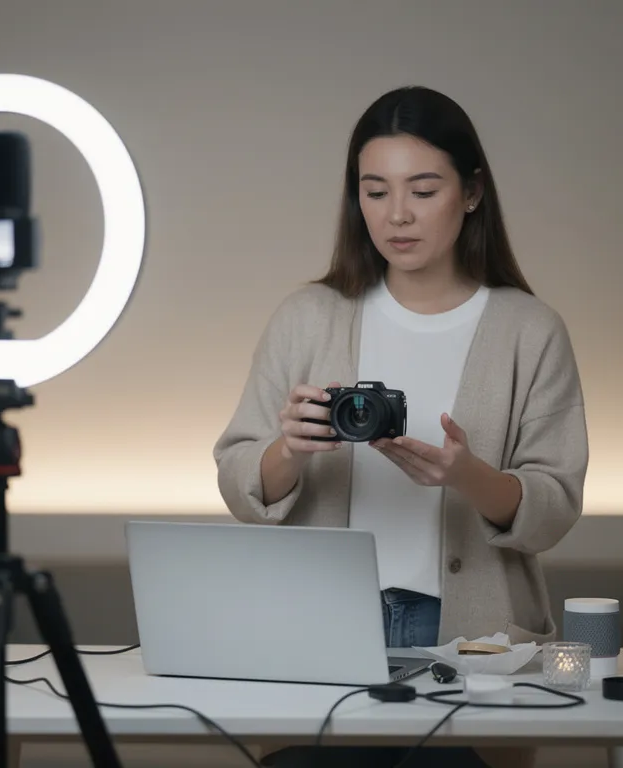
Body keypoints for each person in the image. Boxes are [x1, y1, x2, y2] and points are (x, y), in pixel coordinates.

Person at [212, 85, 588, 768]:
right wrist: (289, 451)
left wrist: (467, 476)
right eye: (375, 190)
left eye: (423, 189)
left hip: (475, 638)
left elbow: (556, 507)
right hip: (320, 630)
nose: (397, 215)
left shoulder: (529, 330)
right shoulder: (308, 316)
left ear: (471, 192)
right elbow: (239, 480)